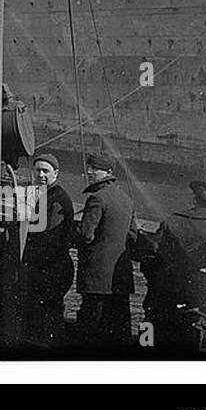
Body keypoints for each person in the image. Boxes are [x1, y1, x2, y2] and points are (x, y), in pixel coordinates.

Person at [143, 179, 206, 348]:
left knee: (152, 330)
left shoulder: (172, 220)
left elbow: (155, 252)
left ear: (194, 200)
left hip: (166, 293)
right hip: (199, 297)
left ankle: (144, 349)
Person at [75, 150, 135, 353]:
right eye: (90, 168)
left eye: (95, 169)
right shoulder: (126, 199)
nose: (90, 172)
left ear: (108, 172)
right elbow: (133, 236)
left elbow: (86, 235)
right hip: (120, 278)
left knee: (92, 328)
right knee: (118, 327)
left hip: (96, 278)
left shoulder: (97, 199)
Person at [21, 152, 75, 349]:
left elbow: (49, 239)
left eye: (46, 171)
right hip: (50, 268)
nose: (41, 175)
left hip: (51, 270)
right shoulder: (47, 195)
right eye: (38, 170)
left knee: (46, 318)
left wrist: (27, 261)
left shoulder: (56, 199)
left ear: (55, 173)